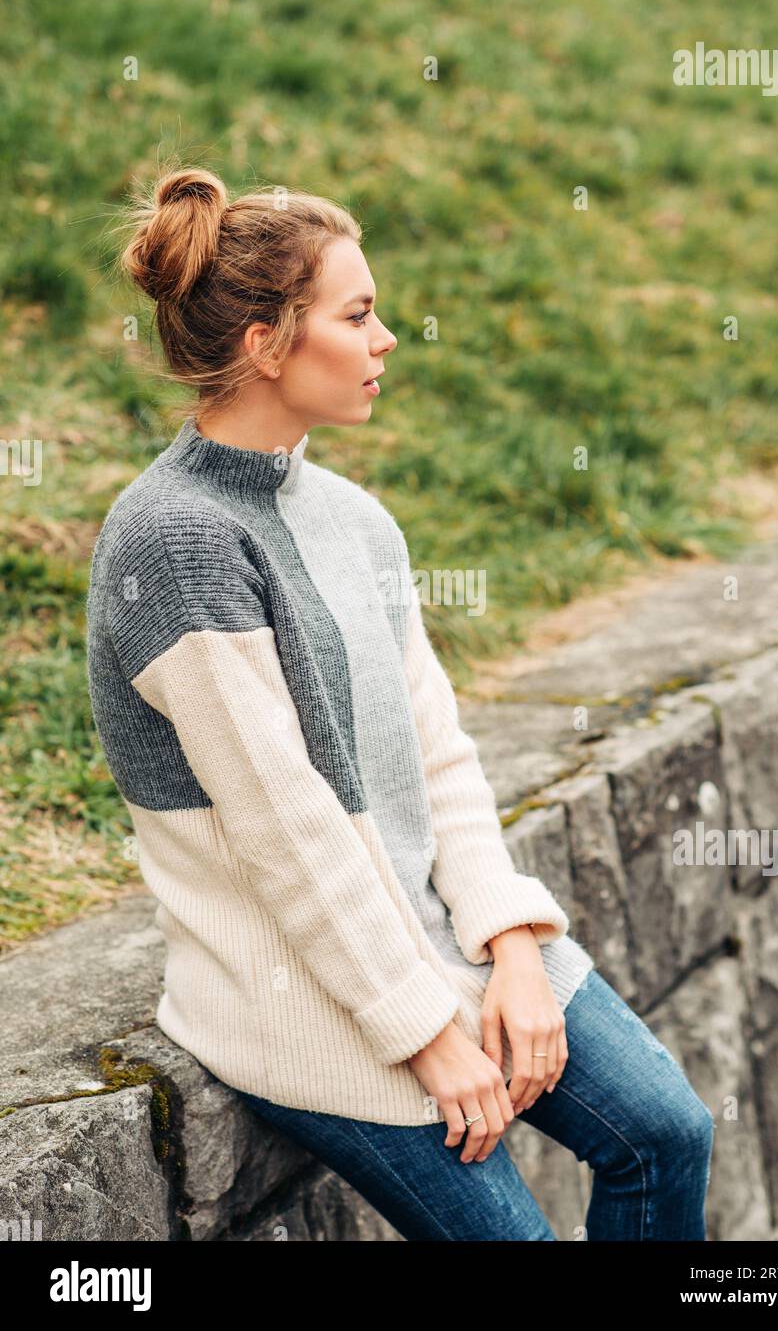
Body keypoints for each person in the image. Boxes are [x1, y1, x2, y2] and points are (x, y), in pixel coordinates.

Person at [86, 165, 714, 1241]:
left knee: (668, 1132)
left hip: (446, 946)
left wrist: (512, 944)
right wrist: (425, 1033)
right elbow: (288, 834)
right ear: (265, 345)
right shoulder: (176, 543)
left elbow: (438, 755)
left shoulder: (354, 518)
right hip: (310, 1000)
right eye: (359, 315)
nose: (387, 340)